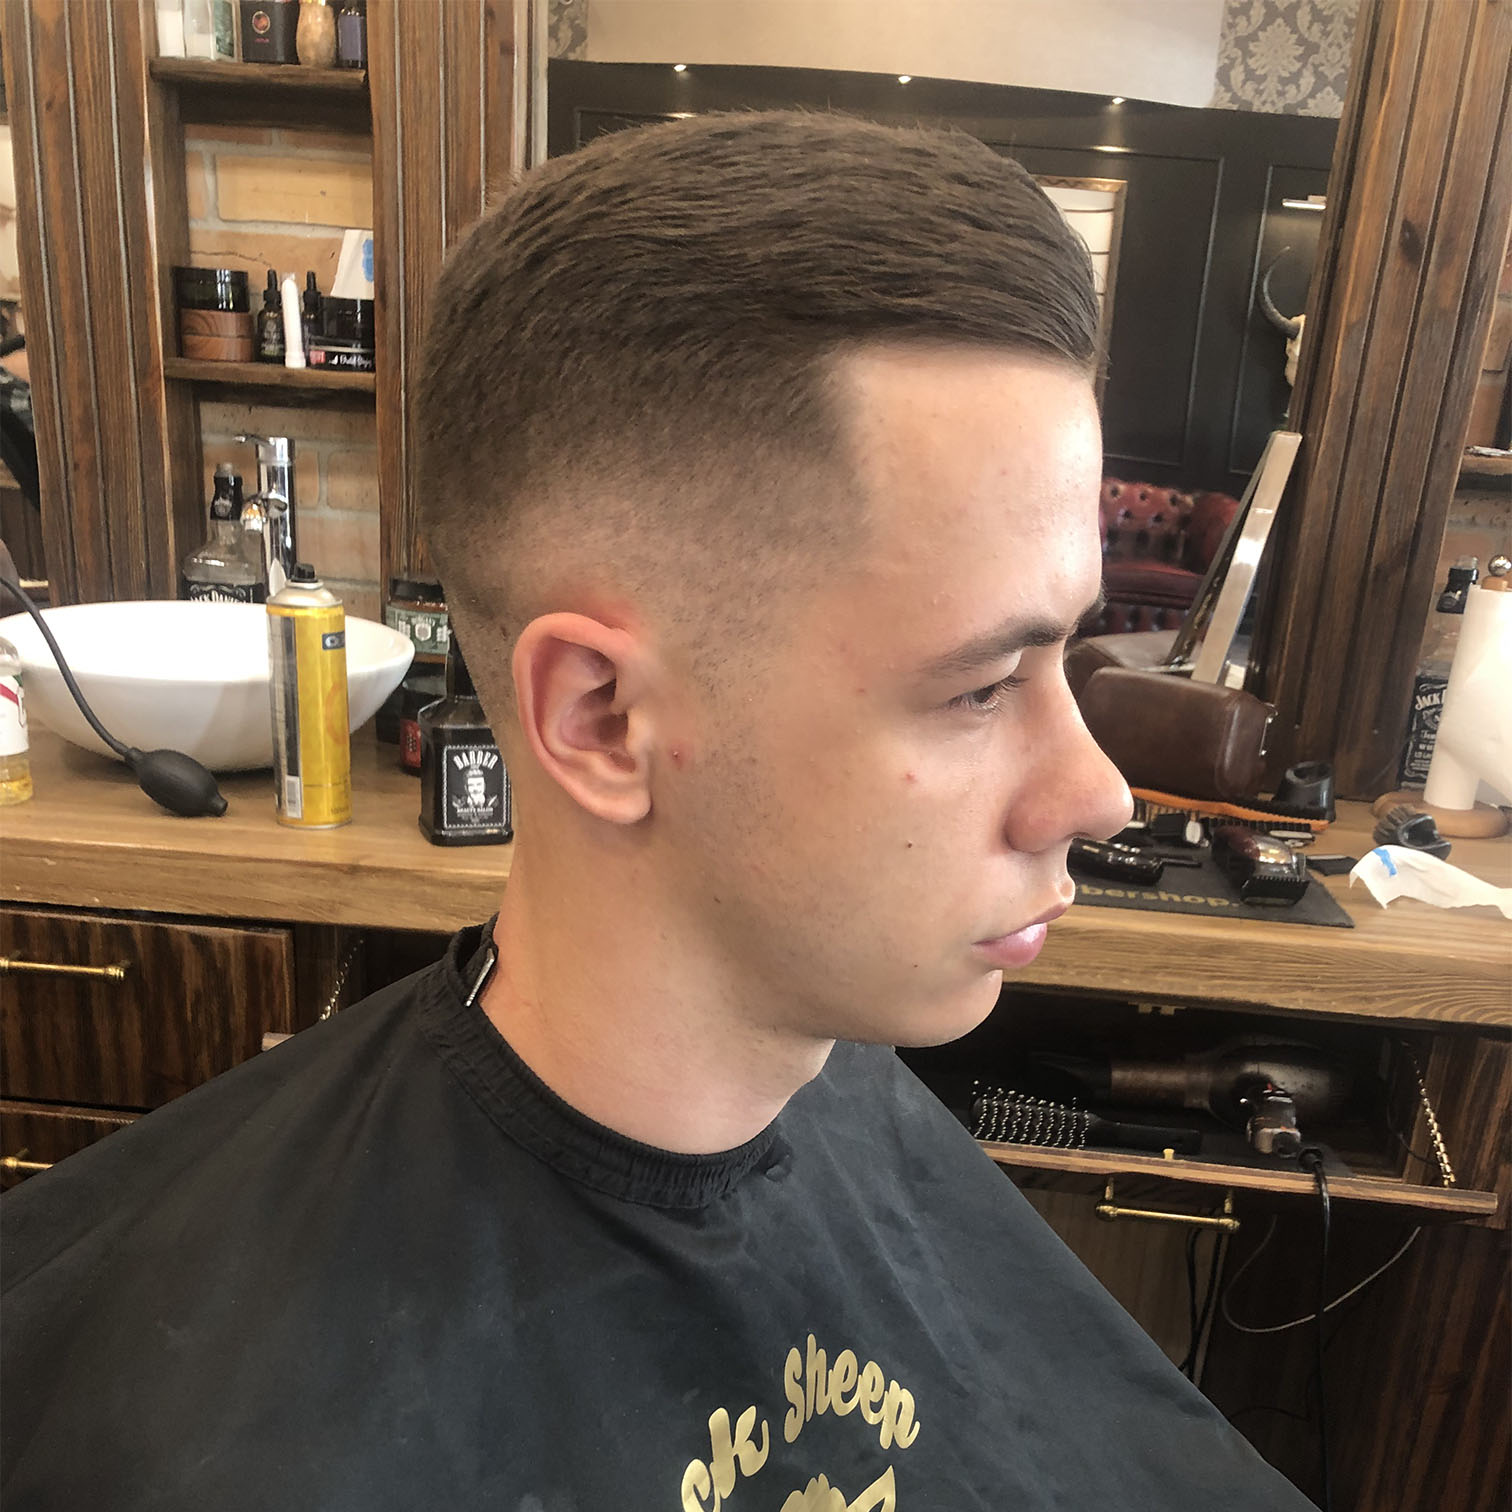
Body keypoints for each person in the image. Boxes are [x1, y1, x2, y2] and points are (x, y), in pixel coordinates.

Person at [1, 113, 1316, 1509]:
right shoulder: (210, 1441)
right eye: (983, 686)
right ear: (602, 720)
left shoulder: (854, 1089)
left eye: (1070, 657)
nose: (1097, 794)